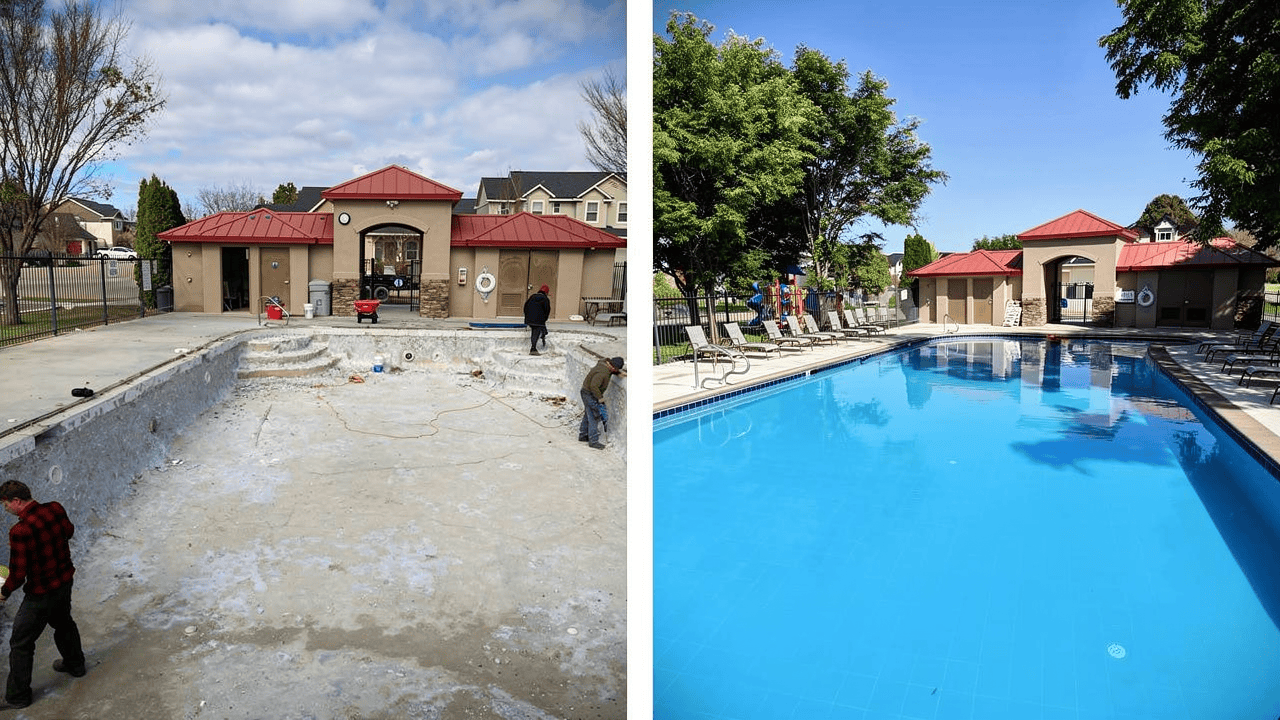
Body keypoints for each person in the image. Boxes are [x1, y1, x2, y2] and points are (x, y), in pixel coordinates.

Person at [0, 480, 86, 710]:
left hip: (40, 593)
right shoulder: (55, 508)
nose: (5, 509)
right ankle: (76, 665)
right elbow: (69, 531)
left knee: (21, 641)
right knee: (63, 622)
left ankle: (18, 696)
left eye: (5, 505)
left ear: (16, 501)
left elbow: (18, 574)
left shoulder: (20, 531)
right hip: (64, 581)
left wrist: (4, 592)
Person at [579, 356, 624, 450]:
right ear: (612, 366)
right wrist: (600, 398)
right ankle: (593, 441)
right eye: (616, 369)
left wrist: (619, 373)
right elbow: (594, 386)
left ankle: (583, 435)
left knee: (588, 414)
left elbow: (612, 371)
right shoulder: (603, 372)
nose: (615, 370)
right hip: (589, 394)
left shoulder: (605, 365)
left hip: (587, 392)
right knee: (594, 417)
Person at [522, 285, 551, 355]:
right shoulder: (545, 299)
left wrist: (527, 316)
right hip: (539, 320)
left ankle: (535, 346)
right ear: (546, 292)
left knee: (534, 331)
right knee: (536, 332)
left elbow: (525, 307)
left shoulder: (532, 297)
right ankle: (533, 348)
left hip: (530, 318)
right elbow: (547, 310)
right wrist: (544, 319)